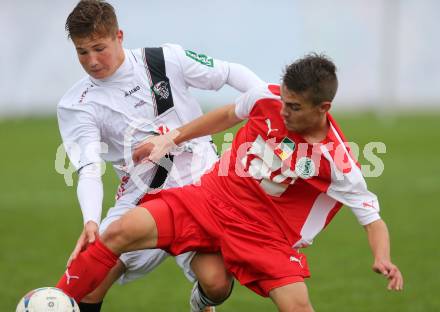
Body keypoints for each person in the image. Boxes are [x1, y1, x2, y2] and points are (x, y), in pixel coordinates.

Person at [56, 53, 404, 311]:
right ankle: (57, 301)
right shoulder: (267, 98)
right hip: (211, 199)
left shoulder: (337, 159)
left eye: (294, 107)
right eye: (283, 101)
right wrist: (172, 138)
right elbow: (225, 116)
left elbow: (373, 218)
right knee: (117, 232)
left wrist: (382, 257)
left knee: (288, 304)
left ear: (323, 107)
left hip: (262, 233)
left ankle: (202, 301)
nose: (283, 111)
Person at [57, 0, 265, 311]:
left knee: (217, 284)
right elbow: (89, 168)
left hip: (202, 188)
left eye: (99, 48)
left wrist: (270, 105)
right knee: (91, 277)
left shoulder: (163, 59)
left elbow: (229, 73)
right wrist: (91, 221)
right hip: (142, 196)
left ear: (119, 36)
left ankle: (201, 303)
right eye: (82, 52)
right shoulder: (77, 104)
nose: (92, 60)